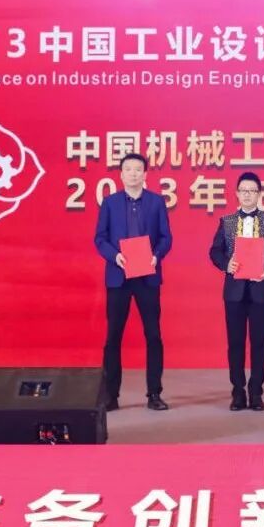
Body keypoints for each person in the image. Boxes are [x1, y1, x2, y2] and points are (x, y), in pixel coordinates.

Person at [93, 153, 172, 411]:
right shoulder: (110, 203)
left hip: (147, 276)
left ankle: (154, 394)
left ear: (145, 174)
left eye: (138, 169)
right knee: (113, 337)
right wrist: (114, 256)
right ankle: (111, 395)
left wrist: (156, 256)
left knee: (154, 336)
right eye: (128, 169)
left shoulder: (156, 202)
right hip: (119, 277)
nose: (133, 174)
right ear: (121, 174)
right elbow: (100, 238)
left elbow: (166, 237)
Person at [209, 172, 264, 411]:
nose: (248, 195)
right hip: (234, 292)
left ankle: (256, 392)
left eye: (252, 191)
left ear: (259, 194)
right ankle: (237, 392)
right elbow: (215, 251)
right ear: (237, 193)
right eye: (244, 190)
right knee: (235, 343)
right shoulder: (227, 221)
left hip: (260, 290)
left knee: (259, 343)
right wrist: (226, 264)